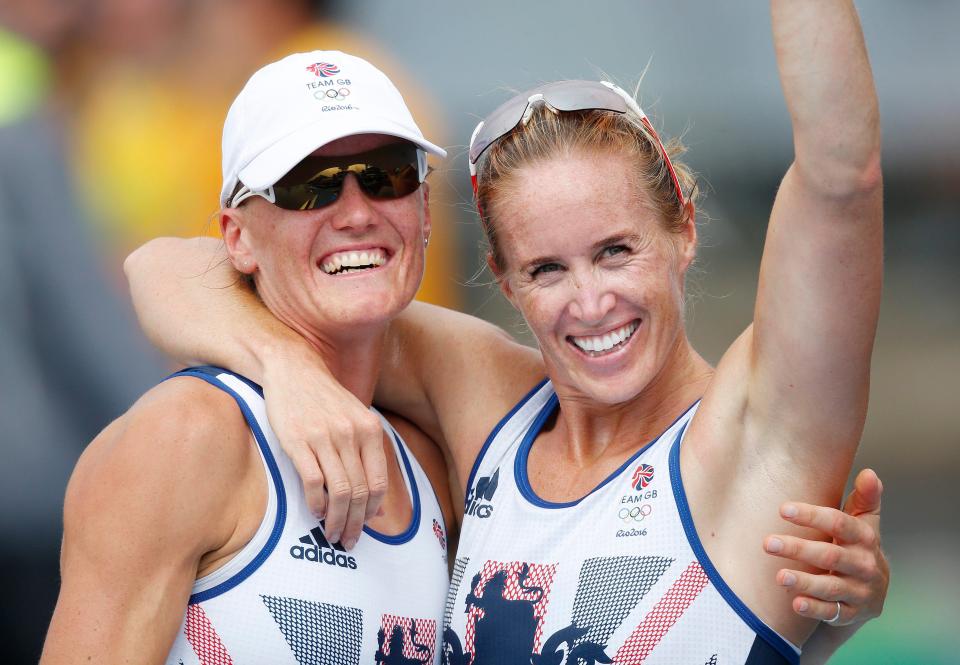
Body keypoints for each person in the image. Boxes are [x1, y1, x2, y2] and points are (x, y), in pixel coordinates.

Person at [126, 2, 888, 661]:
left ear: (683, 228)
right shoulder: (491, 406)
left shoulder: (753, 437)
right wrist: (286, 369)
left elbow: (841, 176)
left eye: (616, 252)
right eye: (548, 269)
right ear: (502, 274)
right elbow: (168, 268)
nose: (591, 304)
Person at [41, 51, 456, 664]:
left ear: (422, 211)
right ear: (236, 238)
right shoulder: (184, 437)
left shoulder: (431, 459)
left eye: (385, 175)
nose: (357, 212)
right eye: (307, 187)